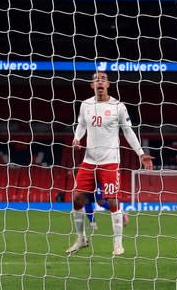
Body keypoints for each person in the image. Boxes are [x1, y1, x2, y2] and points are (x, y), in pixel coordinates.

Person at [66, 72, 153, 256]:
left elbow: (128, 132)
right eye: (96, 79)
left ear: (108, 85)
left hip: (110, 162)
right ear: (92, 85)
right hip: (89, 161)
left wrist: (141, 154)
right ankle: (81, 239)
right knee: (77, 198)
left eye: (103, 79)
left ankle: (118, 244)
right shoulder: (85, 105)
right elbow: (81, 124)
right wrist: (76, 138)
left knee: (112, 200)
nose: (100, 81)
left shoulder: (118, 107)